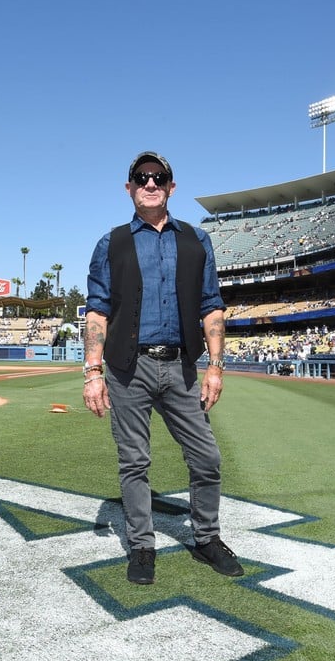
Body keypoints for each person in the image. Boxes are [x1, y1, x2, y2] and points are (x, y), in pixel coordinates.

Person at [84, 150, 239, 586]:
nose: (149, 183)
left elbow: (212, 307)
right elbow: (98, 313)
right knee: (134, 462)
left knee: (206, 457)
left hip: (182, 367)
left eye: (158, 177)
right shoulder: (110, 242)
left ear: (171, 187)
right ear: (129, 187)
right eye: (141, 177)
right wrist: (92, 373)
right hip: (126, 368)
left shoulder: (196, 239)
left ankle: (206, 537)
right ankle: (142, 546)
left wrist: (216, 368)